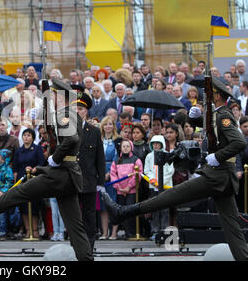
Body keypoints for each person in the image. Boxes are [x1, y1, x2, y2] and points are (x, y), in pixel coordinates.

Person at [103, 77, 248, 261]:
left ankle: (124, 211)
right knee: (232, 229)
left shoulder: (224, 116)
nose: (204, 96)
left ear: (217, 96)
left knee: (169, 196)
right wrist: (194, 119)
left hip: (216, 176)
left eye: (209, 93)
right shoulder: (217, 114)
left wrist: (217, 156)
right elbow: (213, 133)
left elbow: (239, 142)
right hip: (222, 178)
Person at [0, 78, 94, 261]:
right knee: (76, 228)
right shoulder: (69, 113)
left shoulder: (65, 114)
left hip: (60, 174)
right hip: (69, 176)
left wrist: (54, 158)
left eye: (52, 94)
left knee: (16, 193)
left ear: (60, 95)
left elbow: (72, 140)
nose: (50, 97)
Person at [73, 90, 105, 250]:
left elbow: (100, 158)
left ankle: (89, 245)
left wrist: (100, 182)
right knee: (73, 216)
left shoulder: (94, 131)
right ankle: (76, 244)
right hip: (70, 180)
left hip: (89, 180)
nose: (78, 111)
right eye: (75, 109)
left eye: (81, 109)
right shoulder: (65, 130)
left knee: (89, 216)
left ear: (86, 111)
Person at [12, 128, 45, 238]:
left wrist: (33, 169)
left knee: (34, 206)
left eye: (29, 135)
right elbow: (15, 167)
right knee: (23, 206)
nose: (26, 137)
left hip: (34, 179)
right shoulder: (19, 151)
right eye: (24, 135)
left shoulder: (37, 149)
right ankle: (27, 230)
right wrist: (15, 182)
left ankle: (35, 230)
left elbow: (41, 163)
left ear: (33, 137)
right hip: (21, 179)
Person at [109, 139, 143, 239]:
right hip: (120, 191)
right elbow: (113, 174)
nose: (125, 148)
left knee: (130, 211)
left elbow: (138, 174)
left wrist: (129, 187)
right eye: (124, 146)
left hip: (131, 190)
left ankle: (131, 232)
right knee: (122, 211)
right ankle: (125, 231)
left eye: (128, 146)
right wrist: (119, 187)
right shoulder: (116, 161)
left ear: (131, 147)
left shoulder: (136, 160)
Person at [143, 135, 174, 240]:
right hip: (153, 187)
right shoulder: (149, 156)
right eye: (154, 143)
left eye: (158, 143)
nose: (156, 145)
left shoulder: (168, 155)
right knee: (155, 209)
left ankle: (165, 231)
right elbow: (147, 170)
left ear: (162, 144)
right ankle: (155, 231)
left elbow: (170, 171)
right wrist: (153, 180)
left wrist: (161, 182)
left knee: (165, 210)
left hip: (166, 186)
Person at [99, 116, 120, 240]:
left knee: (113, 203)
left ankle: (114, 232)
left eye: (110, 124)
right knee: (102, 205)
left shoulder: (117, 140)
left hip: (113, 172)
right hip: (100, 171)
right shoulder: (99, 139)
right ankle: (104, 232)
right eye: (105, 124)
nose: (108, 126)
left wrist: (109, 173)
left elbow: (116, 158)